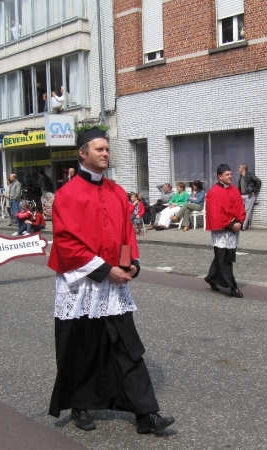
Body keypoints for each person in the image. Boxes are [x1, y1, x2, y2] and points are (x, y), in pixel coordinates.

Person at [47, 126, 174, 434]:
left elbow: (126, 233)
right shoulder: (66, 195)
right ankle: (80, 405)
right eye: (99, 149)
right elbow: (66, 243)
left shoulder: (117, 191)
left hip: (114, 283)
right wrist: (105, 269)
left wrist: (130, 265)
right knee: (82, 347)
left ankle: (146, 413)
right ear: (83, 153)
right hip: (82, 283)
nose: (106, 153)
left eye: (107, 149)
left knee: (127, 347)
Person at [204, 164, 246, 298]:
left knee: (224, 257)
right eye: (227, 174)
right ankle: (233, 286)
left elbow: (240, 206)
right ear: (219, 177)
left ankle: (211, 277)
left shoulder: (234, 190)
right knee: (224, 259)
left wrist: (240, 221)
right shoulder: (213, 192)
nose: (230, 176)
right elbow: (215, 213)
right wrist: (231, 224)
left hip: (234, 228)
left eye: (230, 174)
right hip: (222, 230)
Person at [237, 164, 261, 230]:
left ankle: (243, 226)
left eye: (239, 167)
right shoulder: (241, 177)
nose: (238, 168)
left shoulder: (250, 176)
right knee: (241, 210)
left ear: (243, 168)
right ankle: (244, 225)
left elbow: (258, 181)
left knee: (247, 211)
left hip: (249, 195)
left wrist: (254, 191)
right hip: (242, 196)